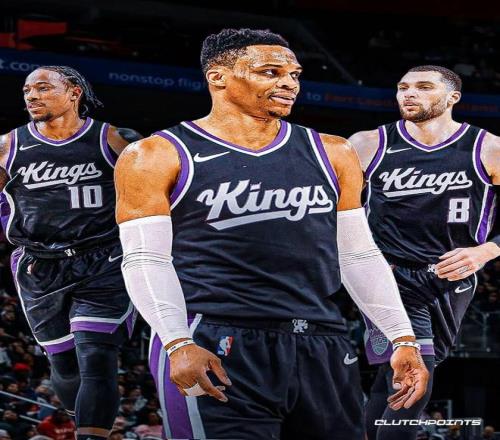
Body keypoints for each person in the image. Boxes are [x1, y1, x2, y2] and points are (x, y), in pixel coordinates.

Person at [115, 28, 429, 440]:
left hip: (323, 339)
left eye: (294, 74)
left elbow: (358, 255)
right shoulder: (156, 154)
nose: (289, 83)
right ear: (218, 77)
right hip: (213, 336)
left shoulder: (333, 151)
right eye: (270, 72)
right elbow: (145, 258)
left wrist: (402, 338)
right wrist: (176, 341)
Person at [348, 65, 500, 440]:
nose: (409, 93)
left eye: (423, 87)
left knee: (393, 377)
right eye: (403, 87)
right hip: (390, 276)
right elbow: (333, 211)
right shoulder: (368, 144)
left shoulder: (488, 148)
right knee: (417, 375)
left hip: (454, 277)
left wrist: (486, 251)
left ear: (453, 98)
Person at [0, 65, 142, 440]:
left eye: (43, 88)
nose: (32, 96)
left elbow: (159, 192)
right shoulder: (7, 146)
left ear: (74, 92)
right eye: (27, 90)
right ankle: (82, 418)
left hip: (103, 258)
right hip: (39, 264)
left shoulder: (114, 140)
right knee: (63, 362)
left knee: (96, 353)